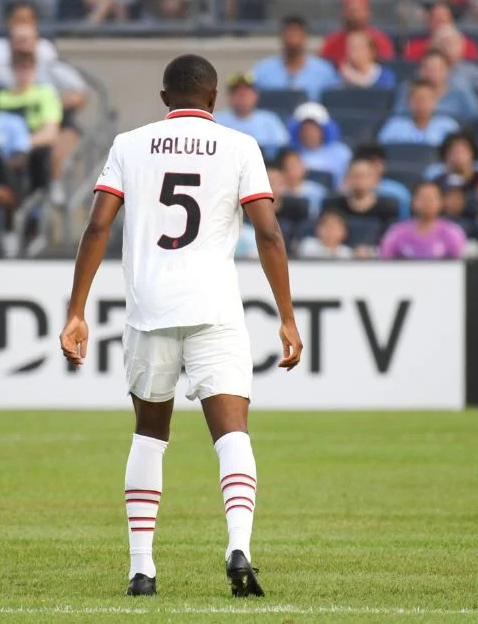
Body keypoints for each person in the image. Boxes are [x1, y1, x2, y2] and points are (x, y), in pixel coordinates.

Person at [58, 54, 303, 598]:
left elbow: (98, 224)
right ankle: (239, 544)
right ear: (213, 99)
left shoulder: (129, 144)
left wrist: (76, 309)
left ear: (165, 97)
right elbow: (269, 235)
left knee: (149, 433)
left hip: (151, 309)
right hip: (214, 306)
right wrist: (285, 315)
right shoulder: (241, 147)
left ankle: (141, 569)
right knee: (231, 431)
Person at [251, 16, 340, 103]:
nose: (292, 38)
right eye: (289, 34)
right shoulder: (263, 70)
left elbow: (335, 100)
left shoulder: (324, 70)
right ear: (282, 37)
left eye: (296, 34)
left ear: (305, 37)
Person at [380, 181, 466, 259]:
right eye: (422, 197)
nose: (427, 202)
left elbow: (460, 263)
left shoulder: (452, 232)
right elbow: (385, 258)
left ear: (441, 202)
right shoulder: (397, 231)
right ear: (413, 201)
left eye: (432, 198)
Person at [0, 52, 63, 151]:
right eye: (19, 67)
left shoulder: (46, 93)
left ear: (34, 68)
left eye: (27, 67)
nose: (23, 72)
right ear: (12, 68)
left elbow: (50, 134)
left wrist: (18, 144)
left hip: (34, 149)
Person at [213, 73, 289, 160]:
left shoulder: (270, 120)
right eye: (238, 93)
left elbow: (282, 150)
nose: (243, 97)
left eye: (246, 93)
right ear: (229, 97)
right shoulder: (216, 120)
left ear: (256, 96)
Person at [391, 50, 478, 122]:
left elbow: (475, 117)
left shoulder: (461, 90)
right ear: (420, 71)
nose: (431, 73)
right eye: (427, 69)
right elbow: (398, 115)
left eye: (436, 69)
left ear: (447, 71)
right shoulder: (407, 89)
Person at [320, 0, 395, 65]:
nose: (353, 14)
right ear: (342, 12)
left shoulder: (380, 41)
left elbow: (387, 67)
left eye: (357, 9)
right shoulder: (332, 42)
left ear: (368, 12)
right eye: (349, 9)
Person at [288, 102, 352, 189]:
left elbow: (347, 181)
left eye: (313, 128)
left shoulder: (341, 152)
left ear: (324, 130)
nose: (309, 133)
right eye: (305, 129)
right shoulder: (291, 153)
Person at [379, 80, 461, 147]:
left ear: (435, 102)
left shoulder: (448, 126)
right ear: (408, 102)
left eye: (425, 99)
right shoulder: (394, 125)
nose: (421, 103)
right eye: (417, 99)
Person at [431, 25, 478, 113]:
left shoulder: (476, 73)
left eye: (452, 43)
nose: (447, 47)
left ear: (462, 45)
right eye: (442, 43)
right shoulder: (426, 72)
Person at [322, 155, 399, 224]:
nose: (359, 180)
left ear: (376, 179)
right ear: (347, 178)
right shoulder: (333, 206)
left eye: (364, 176)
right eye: (355, 175)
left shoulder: (387, 208)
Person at [403, 0, 478, 61]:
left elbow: (472, 69)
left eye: (443, 20)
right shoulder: (415, 46)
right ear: (428, 22)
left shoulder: (467, 45)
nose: (439, 25)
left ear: (451, 21)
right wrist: (431, 48)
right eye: (435, 20)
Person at [353, 144, 412, 219]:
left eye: (376, 162)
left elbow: (404, 222)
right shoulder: (345, 192)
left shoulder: (397, 193)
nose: (372, 167)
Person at [275, 148, 329, 218]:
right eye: (288, 165)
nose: (292, 169)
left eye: (296, 165)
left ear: (303, 168)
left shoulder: (318, 191)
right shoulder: (278, 192)